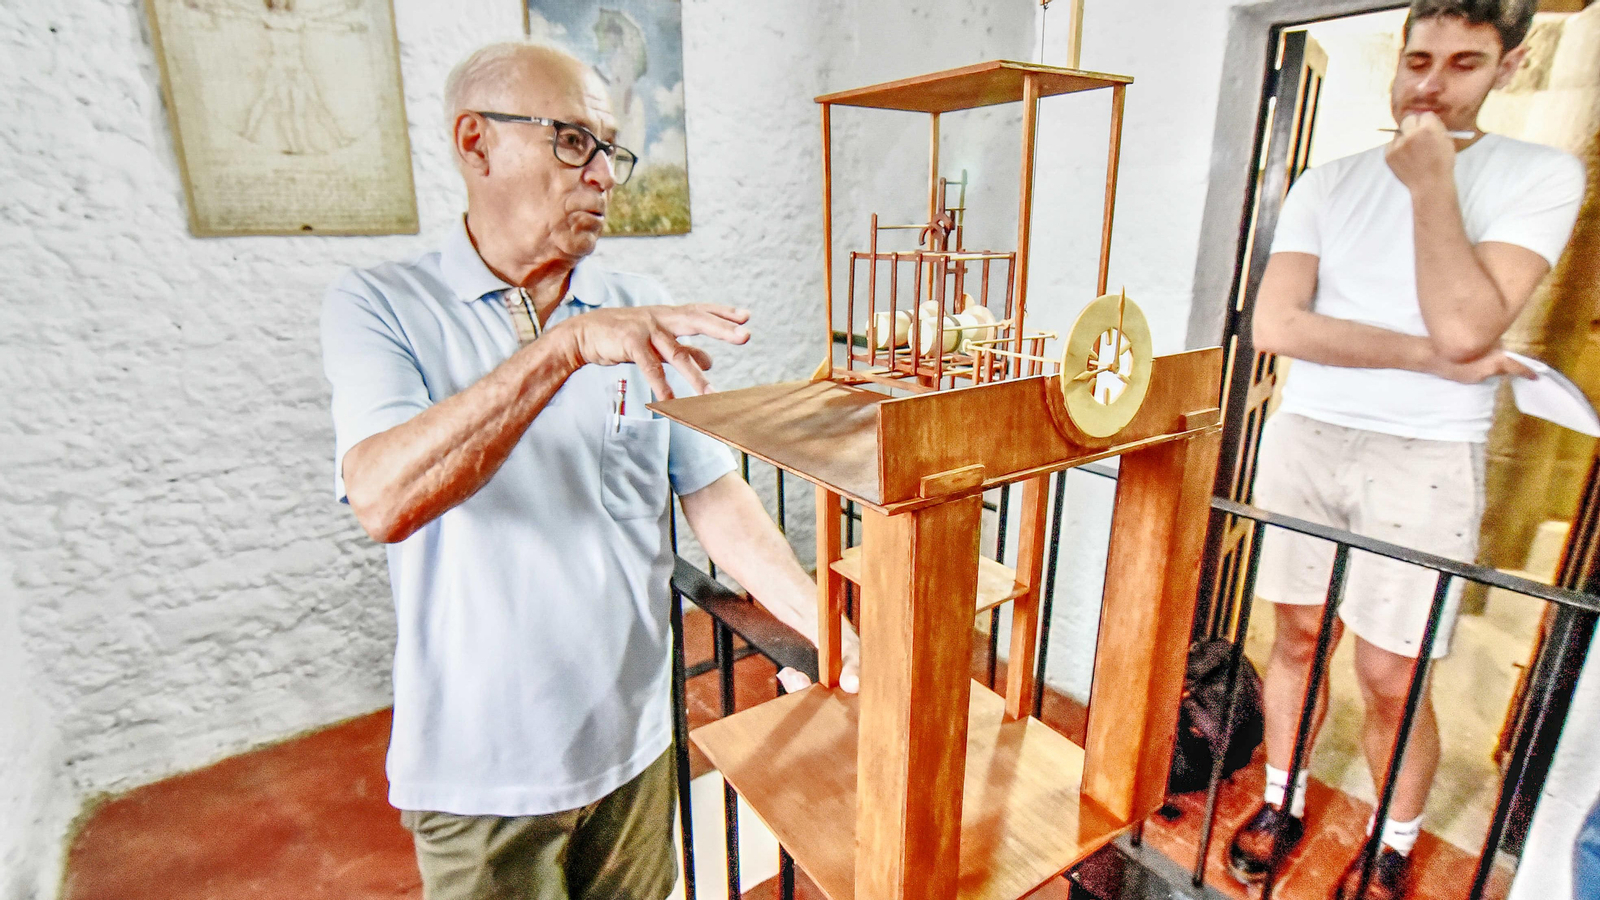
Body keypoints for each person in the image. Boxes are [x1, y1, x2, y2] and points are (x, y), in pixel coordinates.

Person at [321, 42, 857, 900]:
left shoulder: (635, 301)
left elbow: (713, 496)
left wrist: (832, 635)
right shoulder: (381, 306)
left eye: (613, 149)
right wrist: (563, 349)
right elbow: (385, 499)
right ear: (475, 143)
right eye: (574, 142)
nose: (606, 175)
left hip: (635, 745)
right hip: (482, 773)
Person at [1225, 2, 1585, 899]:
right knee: (1299, 636)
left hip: (1428, 451)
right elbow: (1276, 324)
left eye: (1464, 63)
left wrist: (1432, 184)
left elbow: (1468, 323)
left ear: (1509, 66)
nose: (1430, 82)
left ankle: (1393, 835)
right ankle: (1281, 796)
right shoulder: (1327, 180)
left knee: (1391, 671)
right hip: (1309, 432)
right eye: (1419, 57)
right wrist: (1429, 356)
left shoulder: (1537, 173)